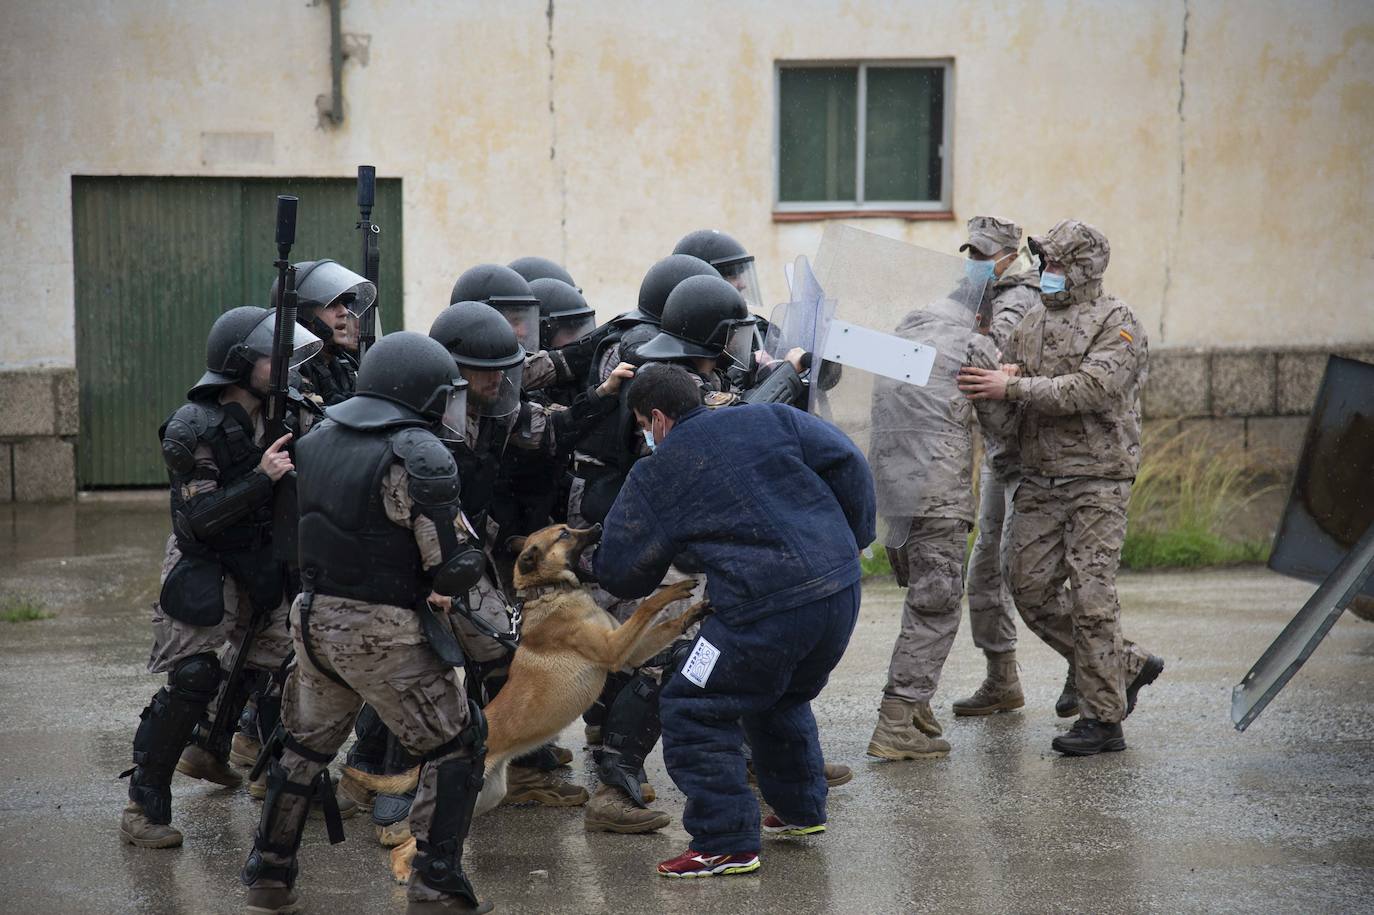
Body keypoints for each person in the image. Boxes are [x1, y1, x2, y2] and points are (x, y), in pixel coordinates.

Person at [240, 332, 493, 914]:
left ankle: (269, 873)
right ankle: (436, 880)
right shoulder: (417, 453)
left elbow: (289, 538)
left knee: (304, 748)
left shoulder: (318, 437)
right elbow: (449, 566)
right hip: (381, 632)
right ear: (421, 392)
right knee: (458, 743)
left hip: (311, 619)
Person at [594, 364, 876, 877]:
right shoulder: (770, 417)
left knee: (691, 702)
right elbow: (848, 459)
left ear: (657, 420)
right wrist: (853, 536)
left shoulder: (656, 471)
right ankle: (800, 810)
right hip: (839, 593)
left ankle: (724, 842)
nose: (644, 436)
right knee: (780, 695)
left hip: (760, 613)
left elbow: (619, 573)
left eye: (641, 425)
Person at [958, 219, 1165, 755]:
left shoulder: (1118, 322)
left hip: (1098, 479)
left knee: (1092, 594)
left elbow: (1091, 388)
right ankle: (1125, 664)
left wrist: (1013, 385)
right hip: (1039, 477)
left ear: (1083, 268)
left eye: (1056, 265)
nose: (1047, 274)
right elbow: (1010, 398)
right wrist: (989, 395)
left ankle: (1103, 719)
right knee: (1026, 585)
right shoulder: (1030, 321)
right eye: (1044, 264)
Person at [120, 306, 320, 849]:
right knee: (193, 678)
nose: (284, 366)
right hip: (203, 561)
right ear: (238, 362)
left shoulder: (291, 412)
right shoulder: (194, 425)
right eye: (270, 357)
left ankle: (217, 751)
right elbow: (198, 519)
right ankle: (144, 806)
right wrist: (261, 477)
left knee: (279, 659)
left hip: (262, 557)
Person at [865, 288, 1014, 760]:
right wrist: (1009, 381)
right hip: (937, 493)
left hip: (891, 491)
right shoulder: (974, 342)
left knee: (921, 598)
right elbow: (1002, 423)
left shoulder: (905, 331)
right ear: (983, 317)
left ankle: (919, 704)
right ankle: (897, 721)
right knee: (935, 605)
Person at [951, 216, 1041, 718]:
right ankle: (1002, 678)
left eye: (984, 257)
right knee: (985, 570)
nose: (974, 266)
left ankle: (1089, 669)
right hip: (1001, 456)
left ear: (1010, 256)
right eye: (971, 255)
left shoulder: (1021, 299)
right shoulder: (977, 297)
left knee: (1030, 576)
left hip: (1032, 462)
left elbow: (990, 352)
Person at [274, 259, 376, 406]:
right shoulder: (290, 372)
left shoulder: (346, 365)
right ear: (303, 315)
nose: (344, 312)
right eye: (332, 304)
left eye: (345, 304)